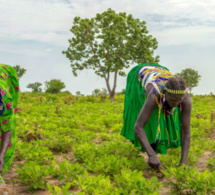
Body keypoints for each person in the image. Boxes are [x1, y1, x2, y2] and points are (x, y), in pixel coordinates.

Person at [121, 63, 191, 170]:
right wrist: (151, 155)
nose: (176, 104)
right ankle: (152, 153)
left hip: (162, 71)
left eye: (179, 101)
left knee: (168, 114)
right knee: (150, 117)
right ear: (165, 93)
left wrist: (183, 162)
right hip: (140, 73)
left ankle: (155, 152)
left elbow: (186, 131)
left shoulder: (185, 98)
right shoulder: (154, 94)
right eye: (173, 100)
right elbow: (138, 127)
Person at [0, 64, 19, 172]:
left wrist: (1, 155)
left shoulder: (5, 104)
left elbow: (7, 130)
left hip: (8, 77)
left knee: (7, 123)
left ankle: (3, 163)